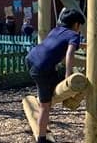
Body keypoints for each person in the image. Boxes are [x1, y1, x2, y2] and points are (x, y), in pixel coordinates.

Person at [24, 9, 84, 143]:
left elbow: (57, 45)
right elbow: (69, 54)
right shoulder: (74, 35)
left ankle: (46, 98)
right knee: (45, 106)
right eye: (80, 25)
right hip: (41, 68)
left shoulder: (55, 30)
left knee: (53, 80)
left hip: (31, 59)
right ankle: (41, 139)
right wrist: (68, 76)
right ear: (76, 24)